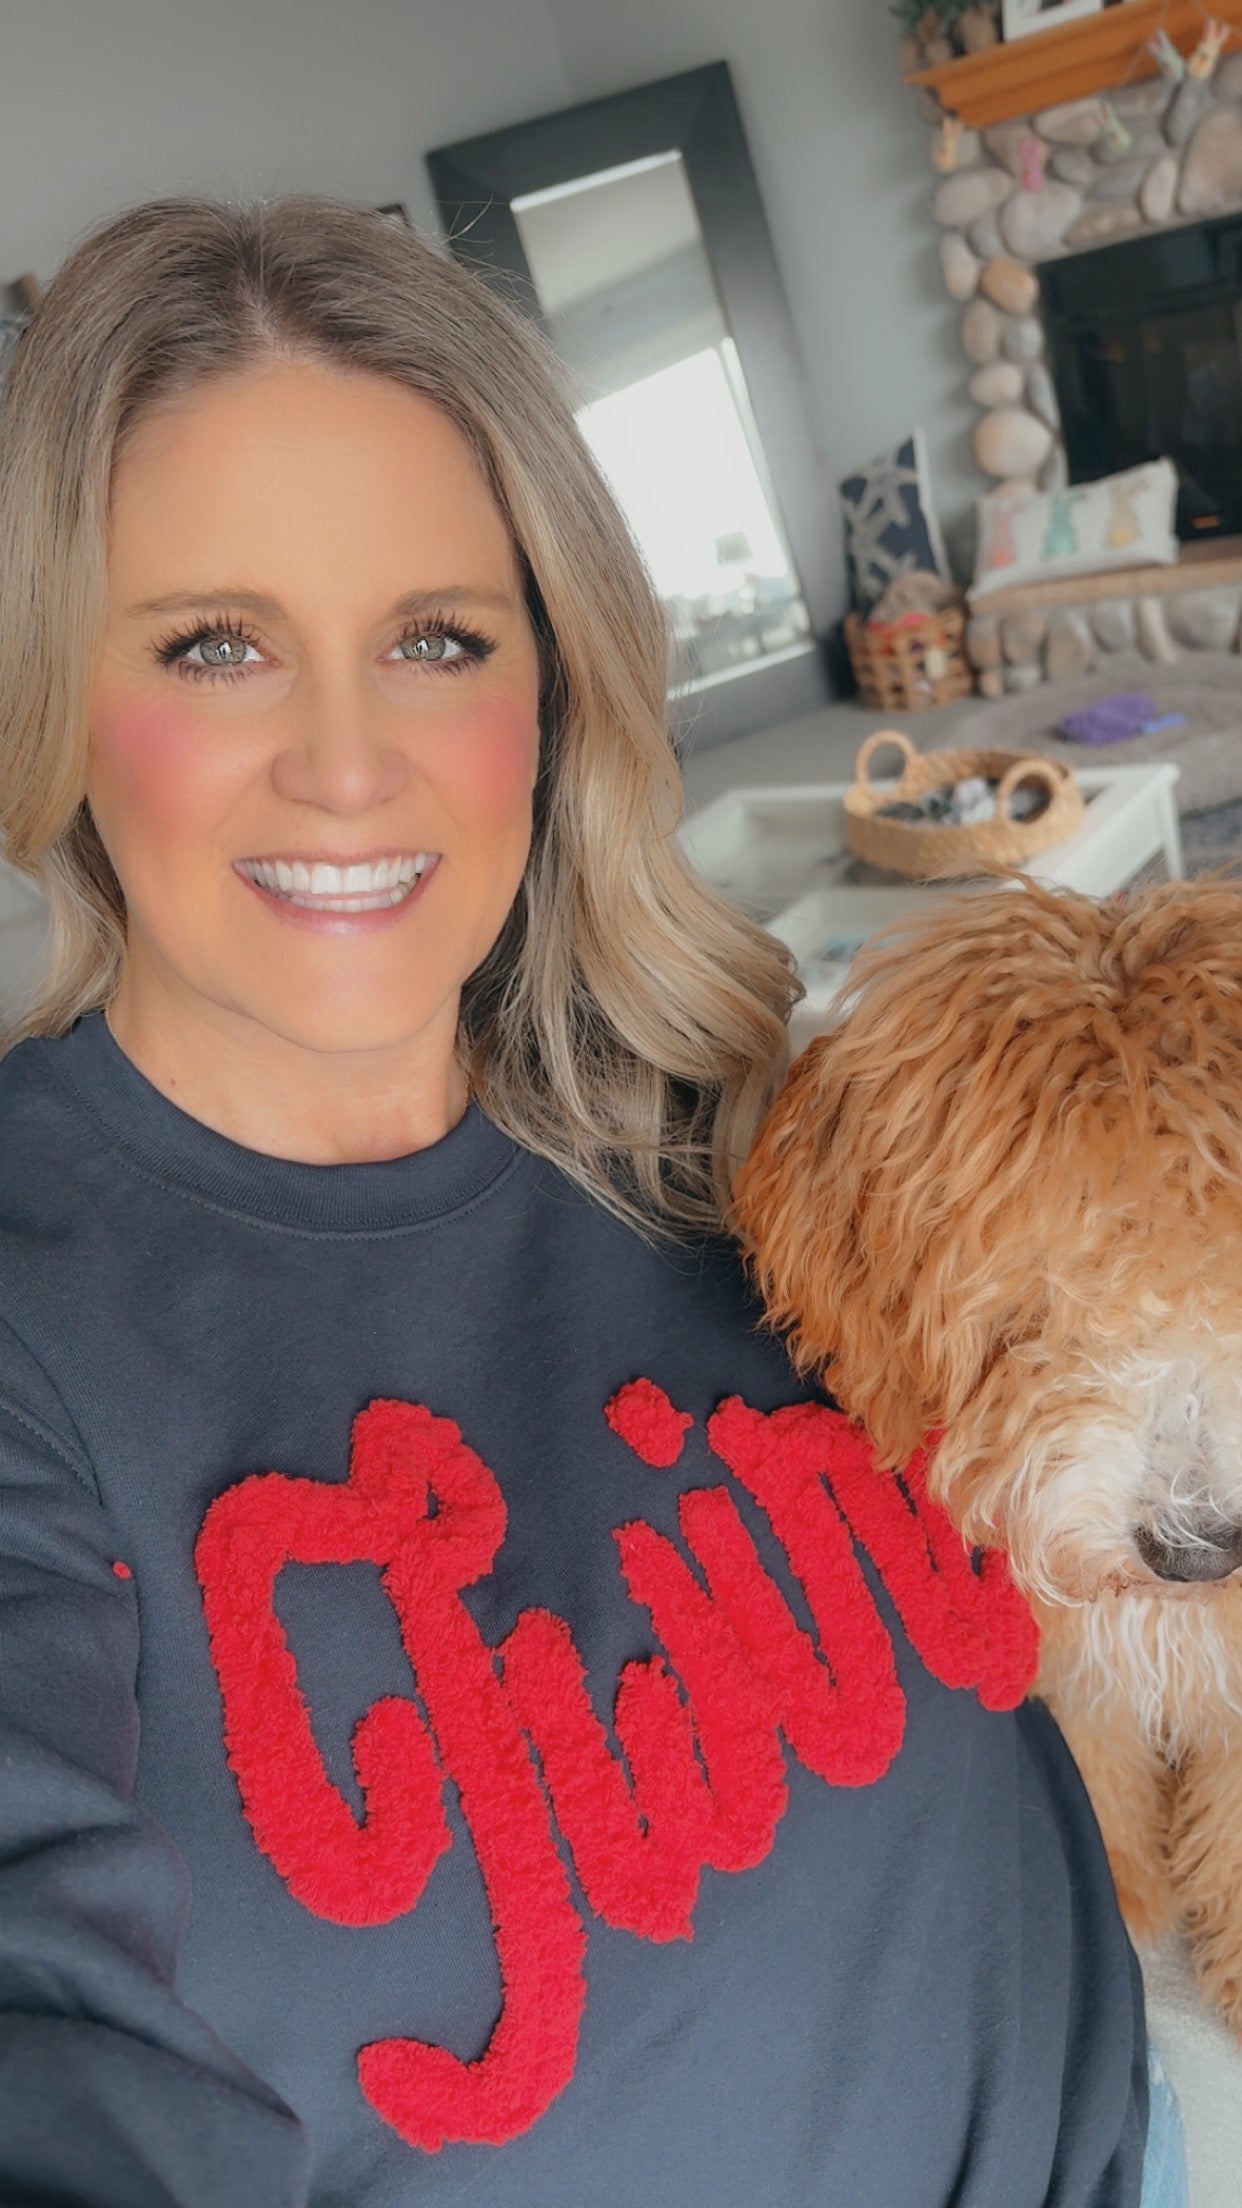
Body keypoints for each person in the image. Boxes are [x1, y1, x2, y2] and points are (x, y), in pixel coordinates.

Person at [0, 192, 1153, 2207]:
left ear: (548, 686)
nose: (346, 763)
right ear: (56, 697)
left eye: (436, 638)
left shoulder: (736, 1124)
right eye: (217, 646)